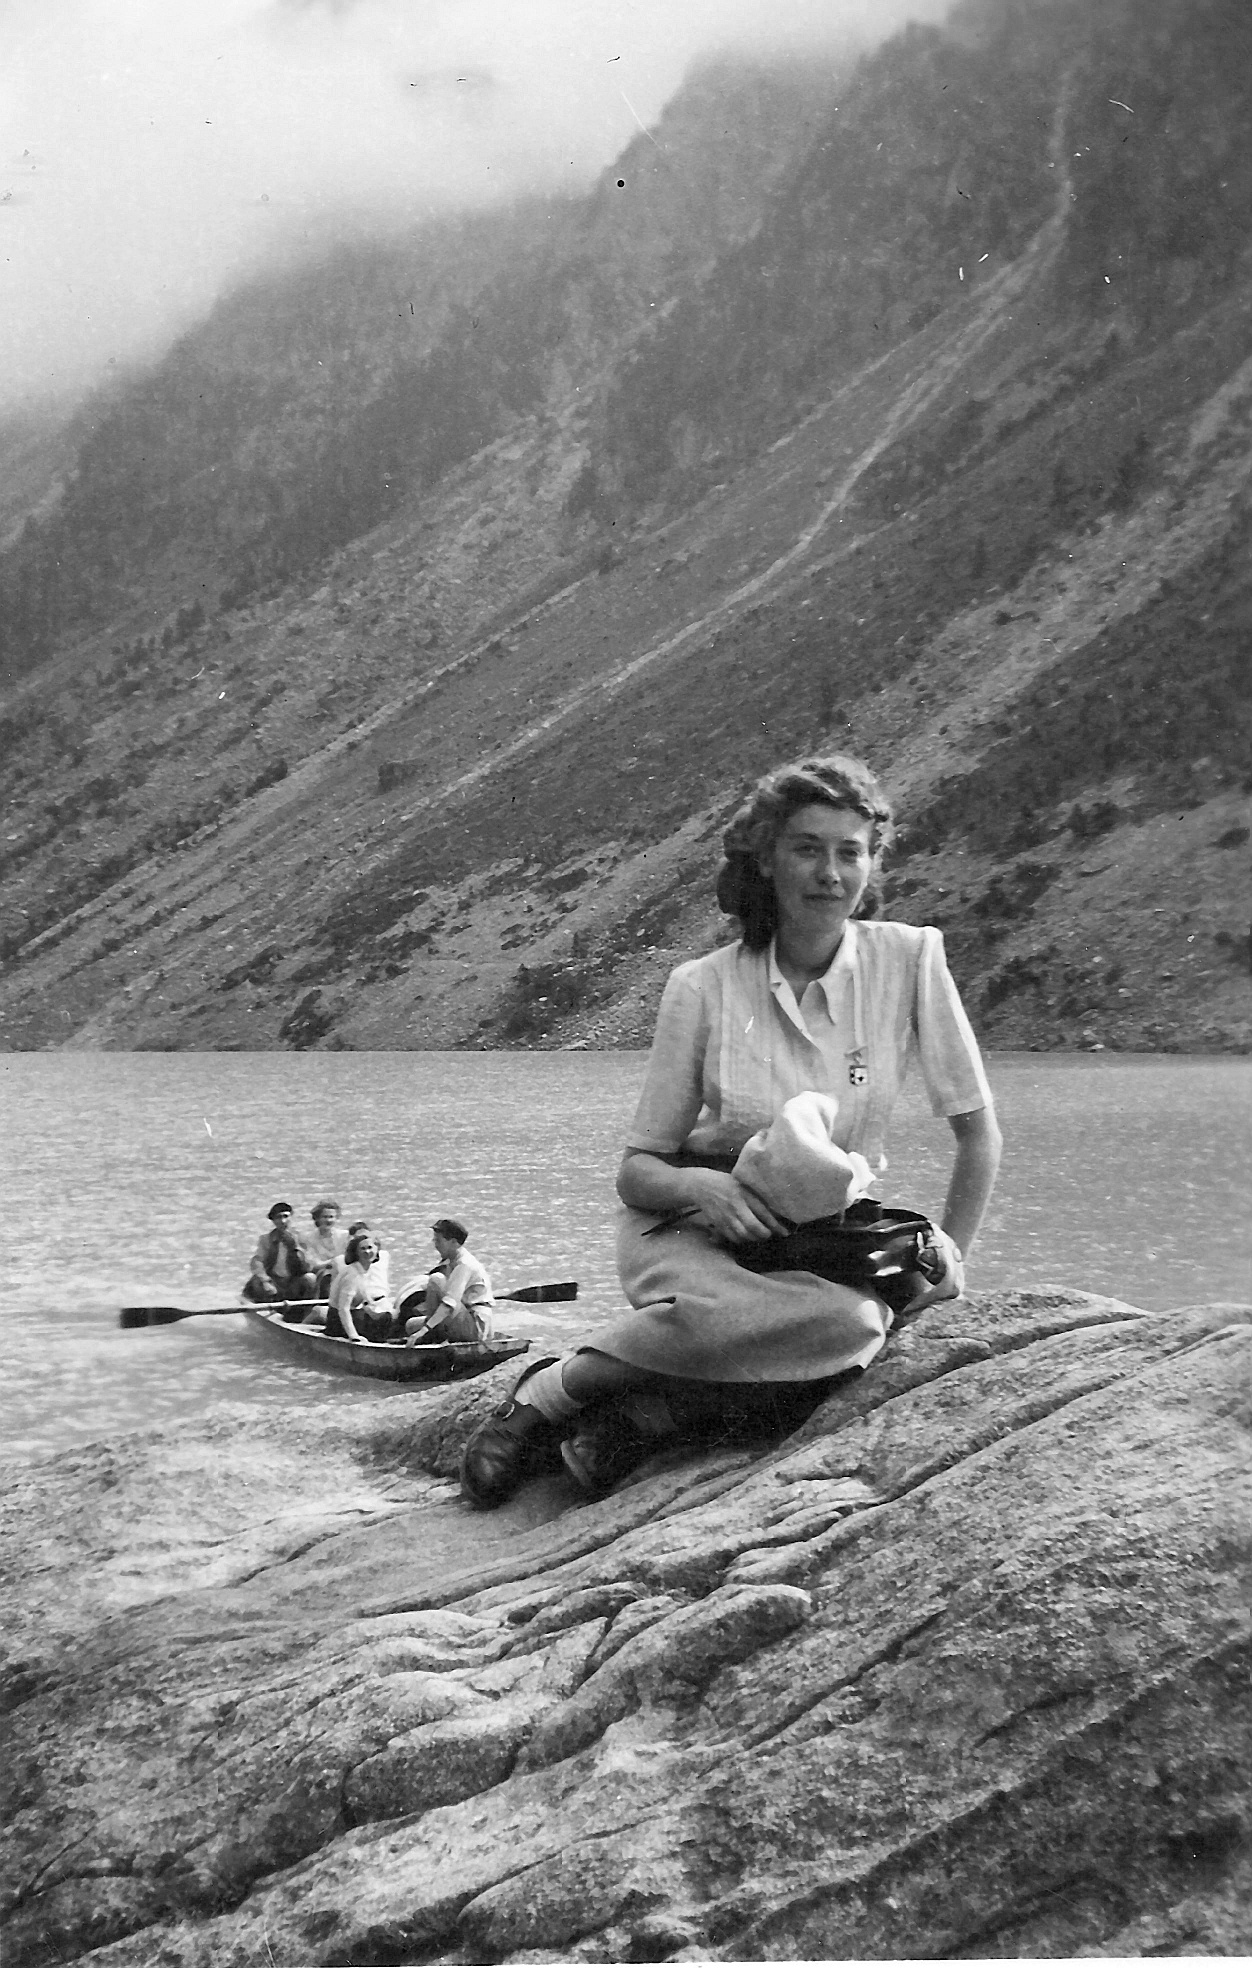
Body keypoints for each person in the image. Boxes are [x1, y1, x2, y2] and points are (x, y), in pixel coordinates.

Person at [460, 752, 1002, 1507]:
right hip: (691, 1227)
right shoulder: (702, 986)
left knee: (849, 1328)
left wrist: (949, 1260)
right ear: (767, 860)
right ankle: (553, 1393)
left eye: (851, 852)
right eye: (807, 848)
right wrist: (704, 1189)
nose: (830, 873)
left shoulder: (910, 959)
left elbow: (978, 1134)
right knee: (716, 1322)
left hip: (825, 1235)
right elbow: (637, 1170)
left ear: (872, 864)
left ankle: (652, 1413)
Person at [405, 1219, 495, 1345]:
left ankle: (431, 1332)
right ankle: (432, 1331)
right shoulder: (450, 1262)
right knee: (410, 1325)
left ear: (454, 1243)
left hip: (475, 1326)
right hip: (462, 1317)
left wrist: (424, 1330)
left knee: (436, 1279)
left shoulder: (464, 1265)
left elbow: (449, 1304)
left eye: (438, 1241)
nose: (435, 1244)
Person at [319, 1229, 395, 1342]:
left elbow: (364, 1296)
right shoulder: (352, 1275)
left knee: (385, 1317)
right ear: (356, 1252)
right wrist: (354, 1336)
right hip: (337, 1320)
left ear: (377, 1250)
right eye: (362, 1249)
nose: (367, 1252)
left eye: (370, 1248)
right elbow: (343, 1308)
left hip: (356, 1312)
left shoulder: (365, 1269)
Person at [242, 1202, 318, 1308]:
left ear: (291, 1217)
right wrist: (266, 1281)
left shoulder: (302, 1238)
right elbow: (257, 1262)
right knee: (256, 1280)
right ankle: (268, 1308)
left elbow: (309, 1266)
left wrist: (295, 1247)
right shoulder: (266, 1239)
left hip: (293, 1282)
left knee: (310, 1278)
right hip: (274, 1281)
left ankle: (304, 1312)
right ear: (273, 1220)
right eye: (278, 1217)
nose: (283, 1221)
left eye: (286, 1216)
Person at [304, 1199, 348, 1297]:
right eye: (325, 1217)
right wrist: (332, 1262)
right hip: (319, 1272)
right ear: (317, 1218)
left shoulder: (344, 1236)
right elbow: (312, 1263)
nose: (328, 1220)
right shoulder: (308, 1238)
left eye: (331, 1217)